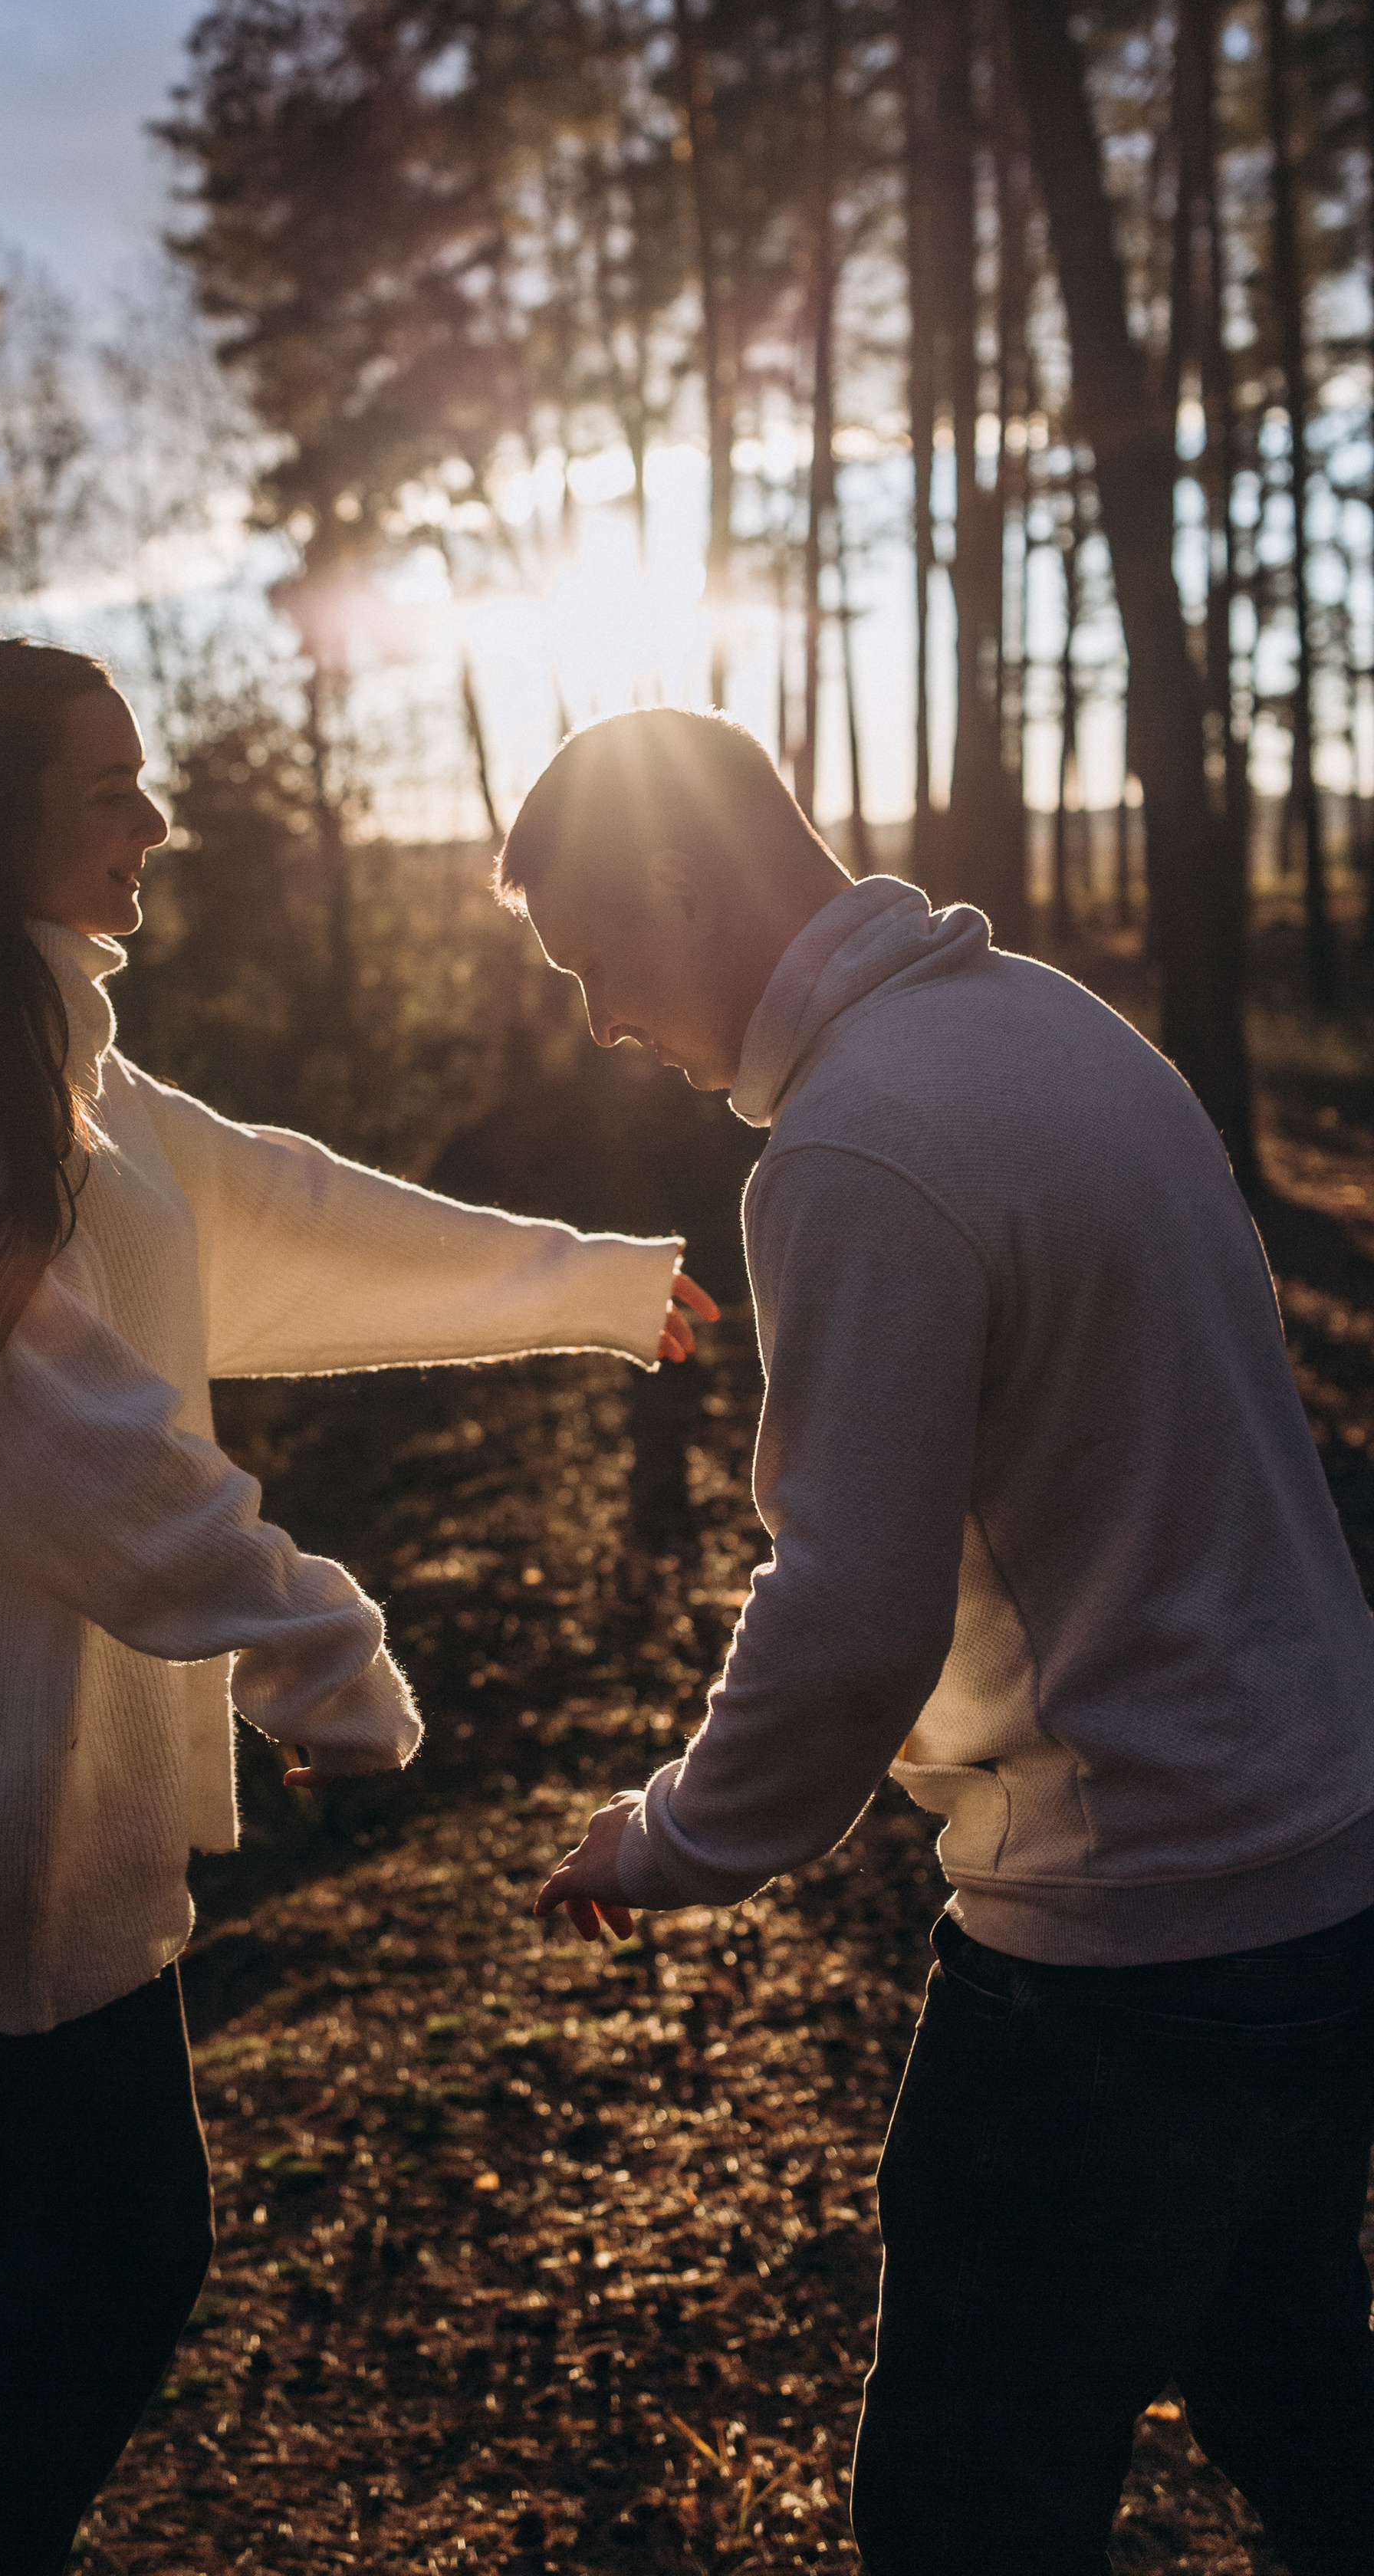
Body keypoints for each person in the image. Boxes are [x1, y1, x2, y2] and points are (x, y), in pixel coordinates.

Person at [0, 639, 712, 2576]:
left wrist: (579, 1285)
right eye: (110, 792)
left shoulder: (46, 1059)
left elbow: (288, 1216)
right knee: (117, 2243)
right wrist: (318, 1654)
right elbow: (60, 1437)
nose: (152, 823)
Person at [503, 706, 1374, 2576]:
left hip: (1130, 1940)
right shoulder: (1047, 1023)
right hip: (1313, 1866)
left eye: (595, 958)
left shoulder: (851, 1146)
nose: (598, 1019)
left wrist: (666, 1836)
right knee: (1302, 2396)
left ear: (674, 880)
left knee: (962, 2513)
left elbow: (848, 1610)